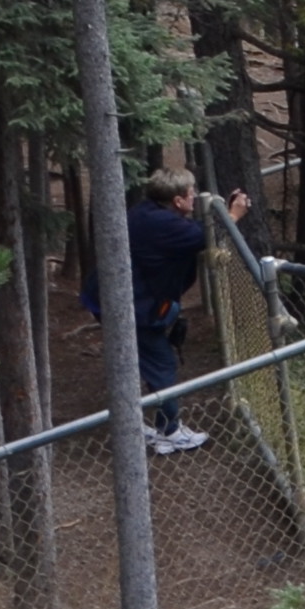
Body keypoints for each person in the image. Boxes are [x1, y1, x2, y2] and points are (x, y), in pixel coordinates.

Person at [121, 165, 221, 455]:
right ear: (178, 201)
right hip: (137, 306)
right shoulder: (164, 224)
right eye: (191, 195)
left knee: (146, 357)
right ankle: (170, 432)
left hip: (133, 300)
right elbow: (202, 237)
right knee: (162, 362)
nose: (193, 199)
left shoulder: (147, 213)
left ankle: (141, 424)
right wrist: (235, 216)